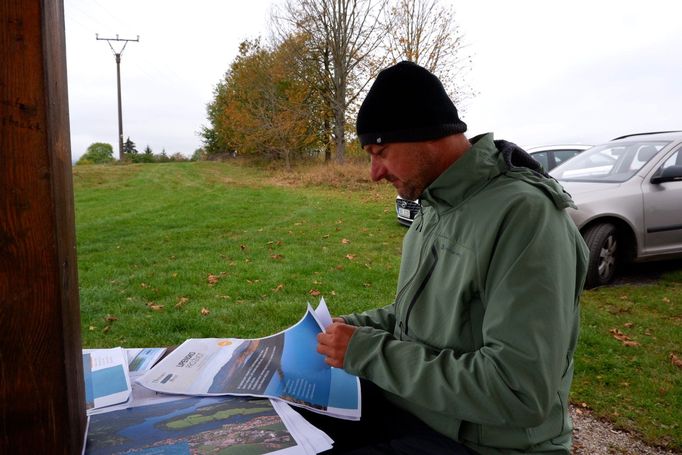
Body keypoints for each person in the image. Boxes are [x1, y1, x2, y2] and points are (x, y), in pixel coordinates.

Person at [305, 61, 589, 454]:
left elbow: (517, 390)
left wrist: (365, 351)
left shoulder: (524, 216)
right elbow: (424, 320)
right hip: (417, 411)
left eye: (381, 152)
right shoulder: (436, 202)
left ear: (426, 135)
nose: (374, 173)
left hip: (486, 442)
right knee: (280, 421)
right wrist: (351, 327)